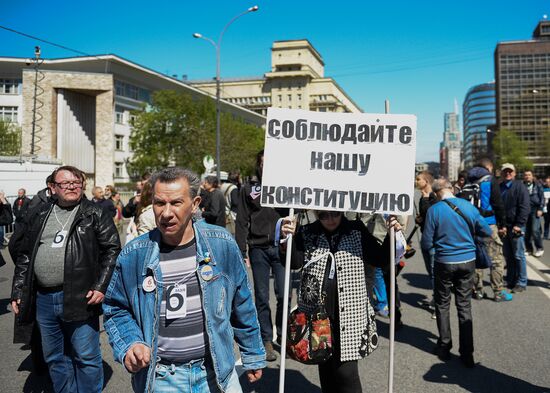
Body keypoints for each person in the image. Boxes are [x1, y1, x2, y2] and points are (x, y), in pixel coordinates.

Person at [103, 167, 265, 393]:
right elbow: (115, 308)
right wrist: (130, 343)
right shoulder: (134, 254)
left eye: (176, 203)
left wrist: (253, 353)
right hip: (162, 379)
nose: (166, 213)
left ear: (195, 204)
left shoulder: (221, 244)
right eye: (160, 203)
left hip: (217, 373)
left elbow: (242, 302)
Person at [11, 165, 121, 393]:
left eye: (76, 183)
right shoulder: (40, 213)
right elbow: (25, 255)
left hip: (80, 296)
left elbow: (112, 250)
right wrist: (19, 290)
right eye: (66, 183)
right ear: (52, 187)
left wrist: (101, 286)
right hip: (43, 298)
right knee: (54, 356)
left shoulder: (94, 212)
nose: (72, 186)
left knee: (86, 356)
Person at [280, 211, 402, 393]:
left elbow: (380, 258)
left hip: (350, 315)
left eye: (335, 214)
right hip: (317, 316)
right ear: (315, 213)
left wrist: (392, 235)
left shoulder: (356, 230)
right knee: (326, 367)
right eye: (323, 216)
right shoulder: (307, 232)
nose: (330, 220)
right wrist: (286, 240)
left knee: (346, 374)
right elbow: (294, 263)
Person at [421, 178, 492, 368]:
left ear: (436, 193)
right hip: (467, 261)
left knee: (442, 304)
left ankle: (444, 346)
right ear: (452, 189)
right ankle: (467, 354)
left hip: (444, 261)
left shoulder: (434, 210)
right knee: (464, 305)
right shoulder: (468, 206)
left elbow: (427, 243)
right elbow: (486, 230)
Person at [236, 150, 288, 361]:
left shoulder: (288, 186)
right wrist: (242, 250)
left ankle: (284, 336)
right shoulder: (249, 188)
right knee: (262, 297)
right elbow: (241, 220)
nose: (267, 167)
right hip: (258, 248)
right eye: (263, 163)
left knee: (284, 295)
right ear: (258, 165)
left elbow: (299, 211)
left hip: (282, 247)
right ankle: (266, 339)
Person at [464, 158, 511, 302]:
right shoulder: (490, 180)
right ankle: (498, 292)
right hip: (489, 224)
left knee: (476, 256)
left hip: (472, 225)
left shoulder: (469, 180)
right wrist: (503, 224)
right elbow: (498, 204)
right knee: (496, 258)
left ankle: (477, 290)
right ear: (489, 167)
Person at [499, 163, 530, 292]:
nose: (508, 173)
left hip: (517, 226)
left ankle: (521, 282)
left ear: (515, 173)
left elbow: (525, 207)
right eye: (505, 171)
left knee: (518, 255)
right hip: (505, 227)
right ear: (501, 173)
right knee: (508, 256)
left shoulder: (520, 186)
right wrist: (501, 225)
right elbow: (498, 208)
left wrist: (519, 224)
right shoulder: (499, 187)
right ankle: (511, 279)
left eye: (510, 171)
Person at [415, 171, 437, 315]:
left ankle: (438, 304)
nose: (416, 181)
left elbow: (433, 215)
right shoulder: (422, 197)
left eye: (418, 179)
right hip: (425, 237)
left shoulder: (435, 197)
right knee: (431, 272)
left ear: (426, 182)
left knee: (435, 272)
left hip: (435, 240)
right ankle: (436, 298)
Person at [523, 170, 545, 257]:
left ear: (532, 176)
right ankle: (529, 249)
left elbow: (542, 197)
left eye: (529, 175)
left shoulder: (538, 185)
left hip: (535, 209)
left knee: (535, 230)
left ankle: (540, 248)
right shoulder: (522, 185)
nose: (527, 176)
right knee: (526, 232)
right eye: (525, 175)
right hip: (525, 210)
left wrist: (540, 208)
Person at [220, 170, 241, 236]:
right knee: (232, 234)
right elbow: (235, 202)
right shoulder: (233, 188)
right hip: (232, 215)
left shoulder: (222, 185)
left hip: (224, 212)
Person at [543, 176, 550, 240]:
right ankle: (545, 235)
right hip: (545, 208)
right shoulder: (543, 189)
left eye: (549, 182)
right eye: (547, 182)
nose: (548, 183)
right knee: (546, 222)